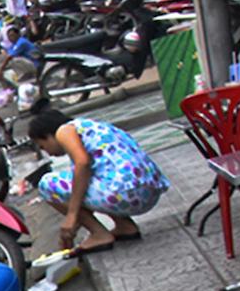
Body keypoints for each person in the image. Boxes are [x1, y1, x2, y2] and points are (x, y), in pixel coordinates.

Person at [28, 99, 170, 253]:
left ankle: (99, 234)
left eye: (43, 146)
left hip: (125, 194)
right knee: (89, 178)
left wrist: (72, 216)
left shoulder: (64, 131)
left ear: (50, 134)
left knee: (47, 184)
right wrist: (75, 226)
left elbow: (83, 163)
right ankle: (125, 226)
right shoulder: (88, 127)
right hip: (148, 192)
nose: (48, 153)